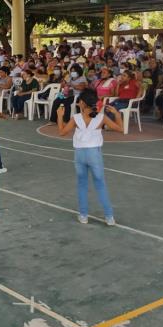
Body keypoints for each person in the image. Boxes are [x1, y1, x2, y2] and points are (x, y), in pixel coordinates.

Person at [56, 89, 123, 226]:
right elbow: (120, 129)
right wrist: (117, 115)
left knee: (82, 184)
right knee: (100, 184)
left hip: (79, 154)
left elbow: (62, 132)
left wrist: (59, 116)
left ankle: (83, 215)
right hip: (94, 154)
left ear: (81, 103)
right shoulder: (101, 117)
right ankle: (109, 217)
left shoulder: (76, 118)